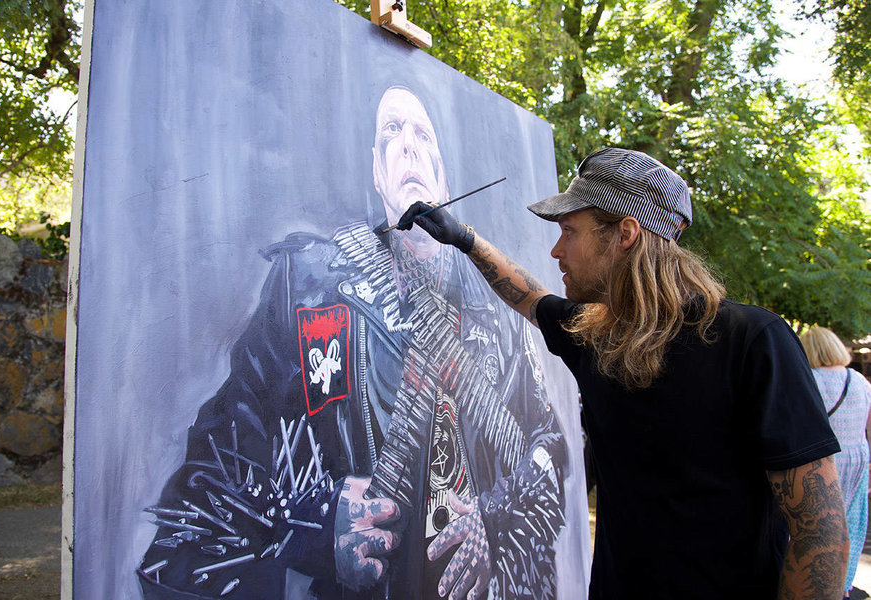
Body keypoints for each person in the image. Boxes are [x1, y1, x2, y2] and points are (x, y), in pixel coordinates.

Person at [137, 86, 568, 600]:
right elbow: (210, 483)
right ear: (376, 170)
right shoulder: (307, 287)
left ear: (443, 172)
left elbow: (549, 444)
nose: (408, 146)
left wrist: (494, 522)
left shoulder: (498, 306)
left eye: (423, 135)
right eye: (392, 132)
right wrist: (312, 527)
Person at [399, 146, 850, 598]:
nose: (556, 250)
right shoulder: (599, 339)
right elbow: (532, 299)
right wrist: (465, 238)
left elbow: (820, 533)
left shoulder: (752, 342)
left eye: (569, 231)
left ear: (626, 234)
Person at [801, 326, 871, 599]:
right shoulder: (859, 380)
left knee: (819, 524)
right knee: (850, 522)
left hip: (822, 461)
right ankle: (843, 585)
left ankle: (816, 584)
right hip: (857, 461)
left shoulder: (809, 380)